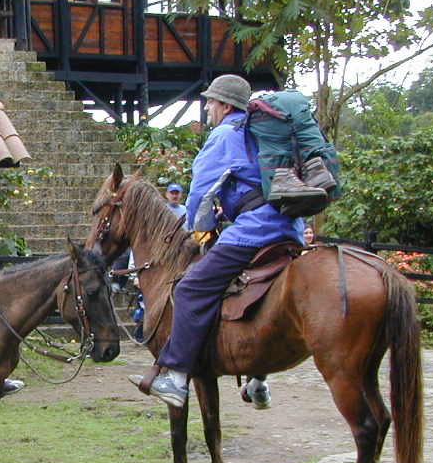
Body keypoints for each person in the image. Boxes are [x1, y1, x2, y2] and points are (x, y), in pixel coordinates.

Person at [129, 75, 304, 408]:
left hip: (255, 231)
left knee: (190, 288)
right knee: (262, 292)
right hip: (290, 228)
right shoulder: (261, 132)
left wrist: (201, 229)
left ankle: (176, 377)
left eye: (210, 101)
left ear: (225, 105)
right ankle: (258, 381)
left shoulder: (224, 134)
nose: (207, 107)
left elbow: (199, 193)